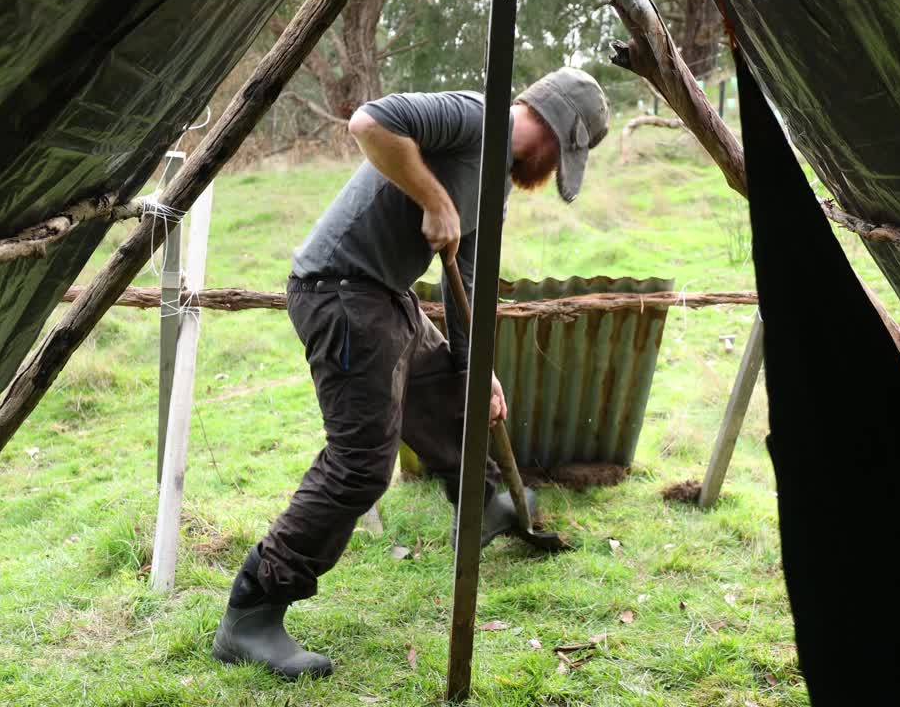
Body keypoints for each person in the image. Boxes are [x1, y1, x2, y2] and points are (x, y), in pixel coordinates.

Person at [211, 67, 610, 680]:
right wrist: (435, 198)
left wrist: (479, 370)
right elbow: (370, 122)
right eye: (563, 157)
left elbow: (464, 283)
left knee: (451, 387)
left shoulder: (498, 185)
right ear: (557, 130)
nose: (553, 173)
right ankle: (253, 610)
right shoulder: (477, 116)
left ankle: (480, 507)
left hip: (386, 295)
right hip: (339, 291)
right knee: (359, 464)